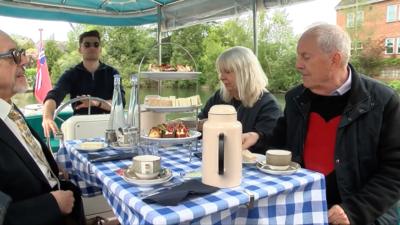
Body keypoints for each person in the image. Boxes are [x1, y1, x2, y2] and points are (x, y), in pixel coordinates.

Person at [255, 23, 400, 225]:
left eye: (305, 57)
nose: (297, 64)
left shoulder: (383, 101)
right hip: (302, 205)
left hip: (364, 214)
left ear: (335, 59)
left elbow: (395, 170)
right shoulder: (296, 98)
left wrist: (354, 211)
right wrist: (256, 138)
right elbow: (278, 145)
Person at [0, 30, 85, 225]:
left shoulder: (10, 110)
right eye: (14, 55)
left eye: (21, 53)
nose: (24, 60)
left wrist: (53, 169)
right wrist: (52, 205)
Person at [42, 30, 125, 138]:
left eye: (96, 45)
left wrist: (95, 103)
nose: (92, 48)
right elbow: (54, 95)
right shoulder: (71, 74)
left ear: (100, 49)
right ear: (80, 49)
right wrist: (47, 117)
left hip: (108, 127)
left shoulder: (112, 73)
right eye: (87, 45)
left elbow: (121, 103)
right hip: (79, 127)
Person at [198, 46, 282, 152]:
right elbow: (199, 125)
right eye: (220, 72)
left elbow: (269, 142)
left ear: (245, 73)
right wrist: (200, 125)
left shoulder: (269, 105)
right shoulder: (218, 97)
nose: (221, 77)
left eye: (227, 72)